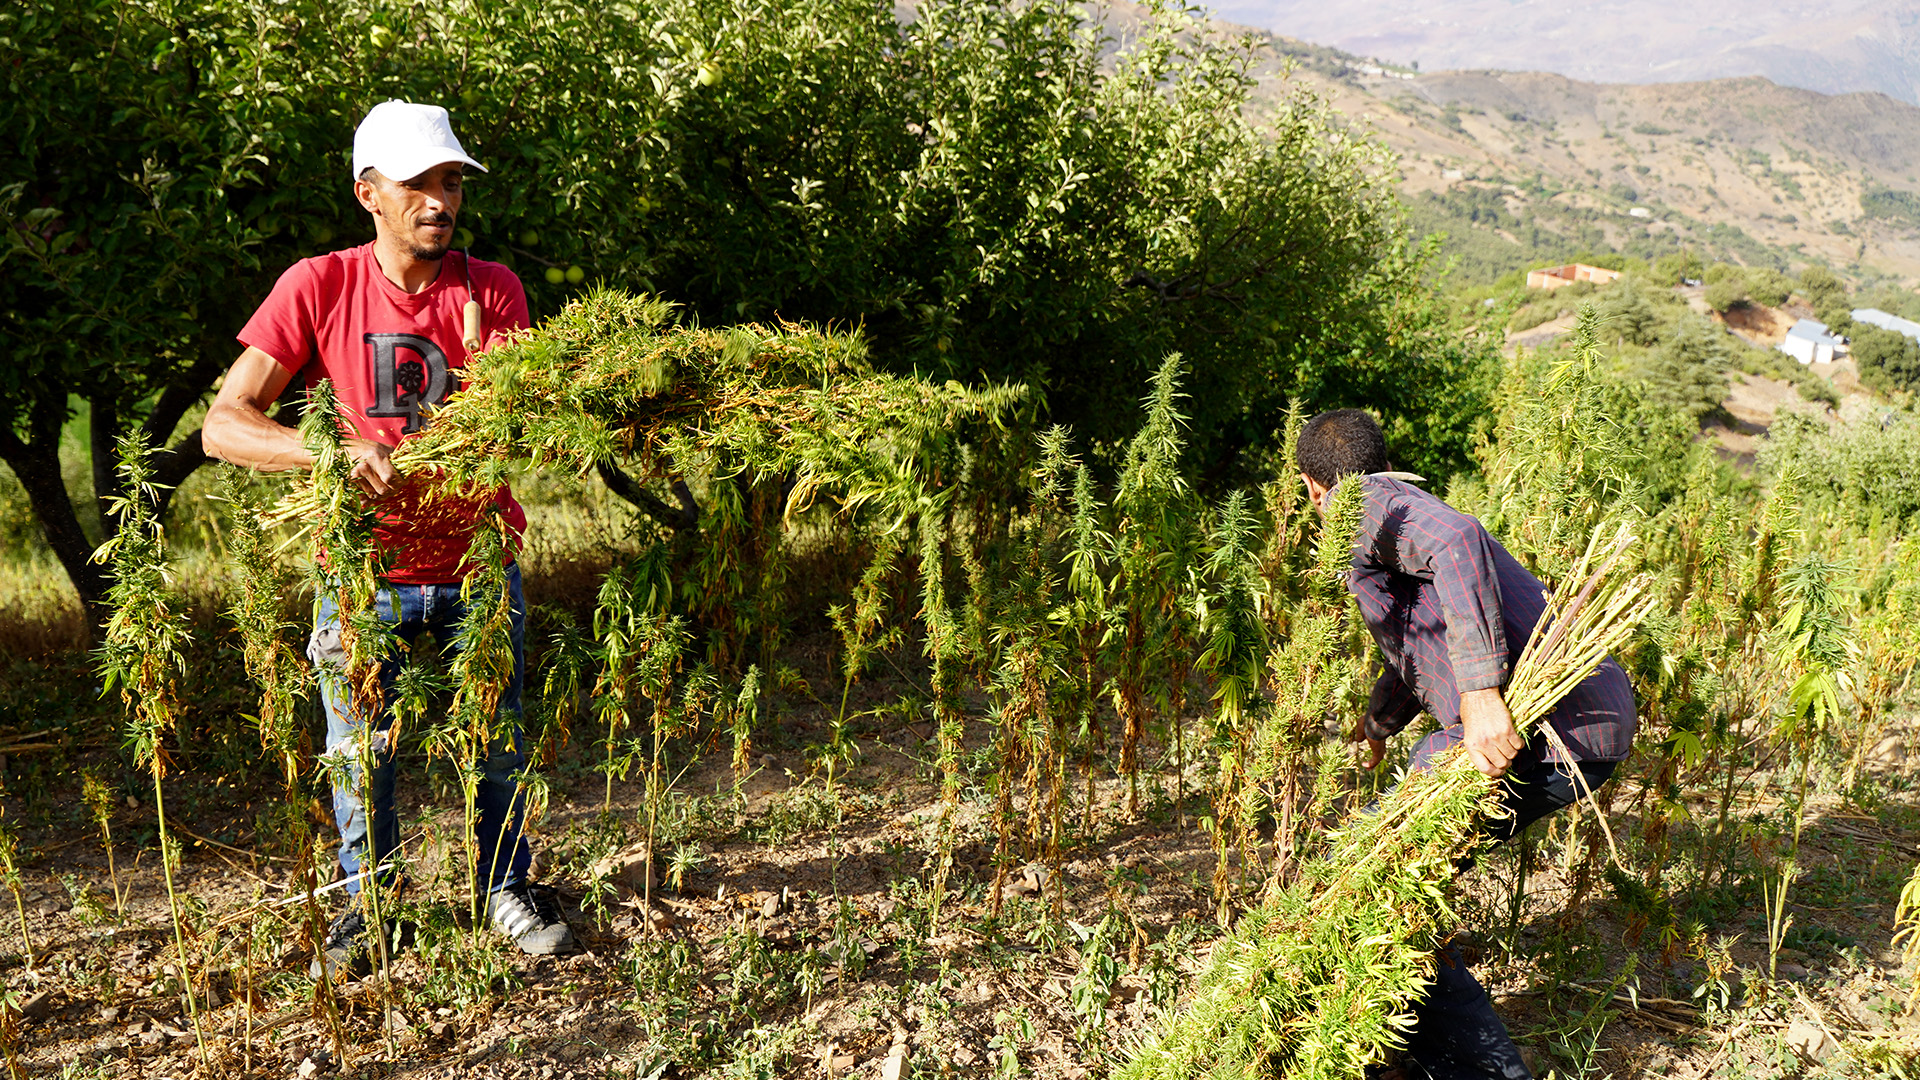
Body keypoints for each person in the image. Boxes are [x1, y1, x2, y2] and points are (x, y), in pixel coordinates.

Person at [203, 100, 574, 975]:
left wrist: (520, 411)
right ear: (369, 191)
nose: (438, 200)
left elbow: (520, 425)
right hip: (365, 570)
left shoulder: (494, 291)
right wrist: (328, 454)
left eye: (449, 181)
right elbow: (225, 424)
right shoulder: (319, 285)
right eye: (417, 182)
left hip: (480, 563)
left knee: (498, 737)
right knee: (360, 750)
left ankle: (506, 891)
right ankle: (369, 907)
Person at [1295, 409, 1637, 1080]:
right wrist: (1382, 721)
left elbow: (1456, 541)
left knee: (1379, 885)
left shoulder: (1359, 505)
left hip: (1548, 728)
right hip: (1586, 722)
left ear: (1312, 487)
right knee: (1390, 882)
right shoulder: (1395, 503)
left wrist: (1480, 695)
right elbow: (1419, 628)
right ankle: (1388, 1052)